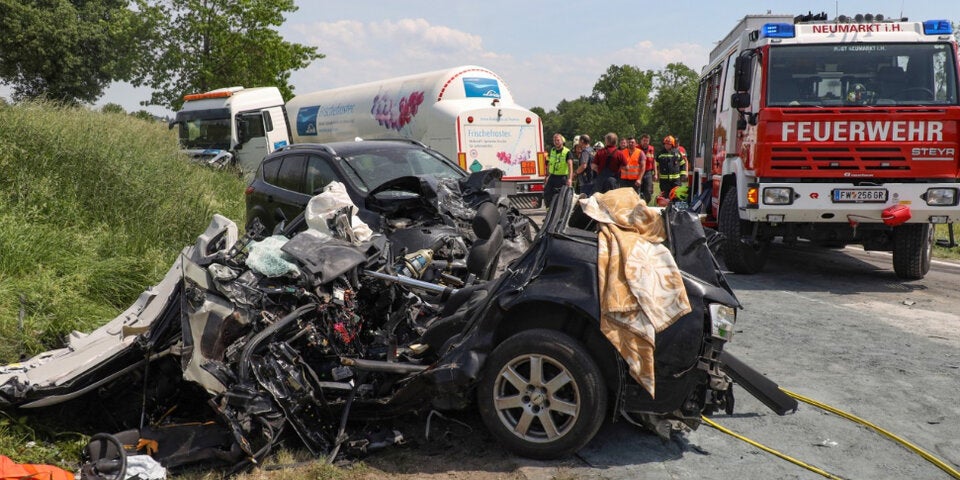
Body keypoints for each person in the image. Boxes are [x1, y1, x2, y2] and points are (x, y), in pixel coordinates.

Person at [543, 133, 573, 208]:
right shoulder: (552, 150)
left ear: (562, 141)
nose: (556, 142)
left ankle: (559, 211)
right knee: (547, 193)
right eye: (554, 140)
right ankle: (549, 210)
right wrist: (547, 175)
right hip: (552, 176)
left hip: (562, 177)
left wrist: (570, 179)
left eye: (558, 140)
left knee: (561, 196)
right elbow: (549, 163)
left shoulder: (567, 152)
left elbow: (570, 166)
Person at [657, 135, 687, 202]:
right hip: (664, 181)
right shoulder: (660, 154)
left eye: (668, 144)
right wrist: (656, 174)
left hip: (676, 180)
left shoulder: (677, 153)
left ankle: (675, 207)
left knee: (676, 196)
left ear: (672, 144)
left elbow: (682, 164)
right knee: (665, 197)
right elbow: (656, 165)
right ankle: (666, 207)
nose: (667, 145)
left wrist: (683, 175)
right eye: (665, 144)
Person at [638, 134, 657, 203]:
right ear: (641, 141)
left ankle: (645, 204)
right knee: (638, 190)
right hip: (638, 172)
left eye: (647, 141)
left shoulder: (651, 149)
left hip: (648, 172)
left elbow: (653, 161)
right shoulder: (637, 148)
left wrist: (656, 173)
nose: (645, 142)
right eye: (644, 140)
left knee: (648, 192)